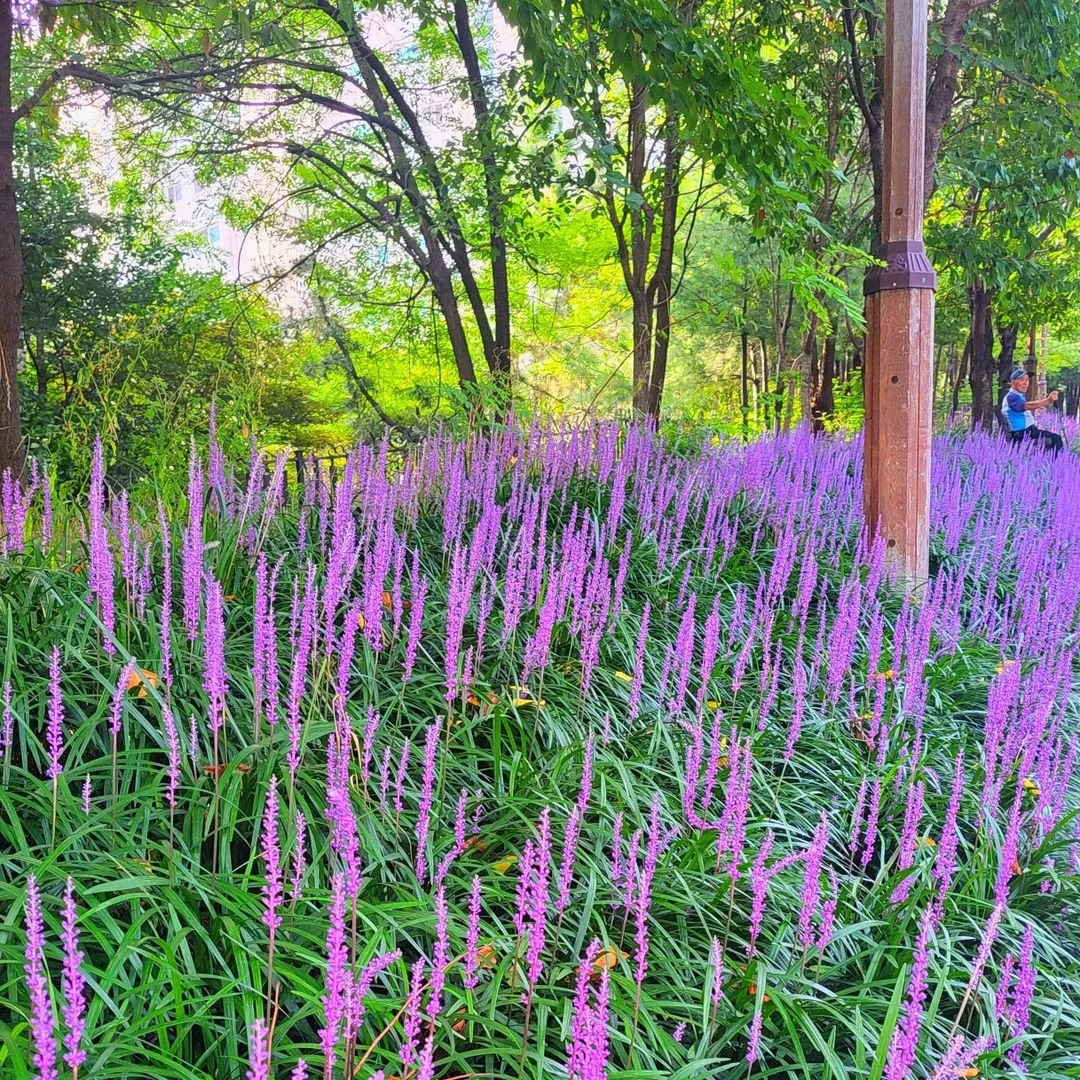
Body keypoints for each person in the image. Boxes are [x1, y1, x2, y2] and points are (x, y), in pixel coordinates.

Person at [1001, 369, 1064, 454]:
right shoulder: (1011, 396)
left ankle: (1057, 461)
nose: (1026, 383)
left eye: (1027, 380)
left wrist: (1048, 402)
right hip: (1022, 434)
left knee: (1054, 438)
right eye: (1022, 380)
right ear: (1013, 382)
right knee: (1055, 439)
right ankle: (1057, 463)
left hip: (1028, 431)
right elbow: (1026, 406)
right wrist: (1047, 401)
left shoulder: (1018, 396)